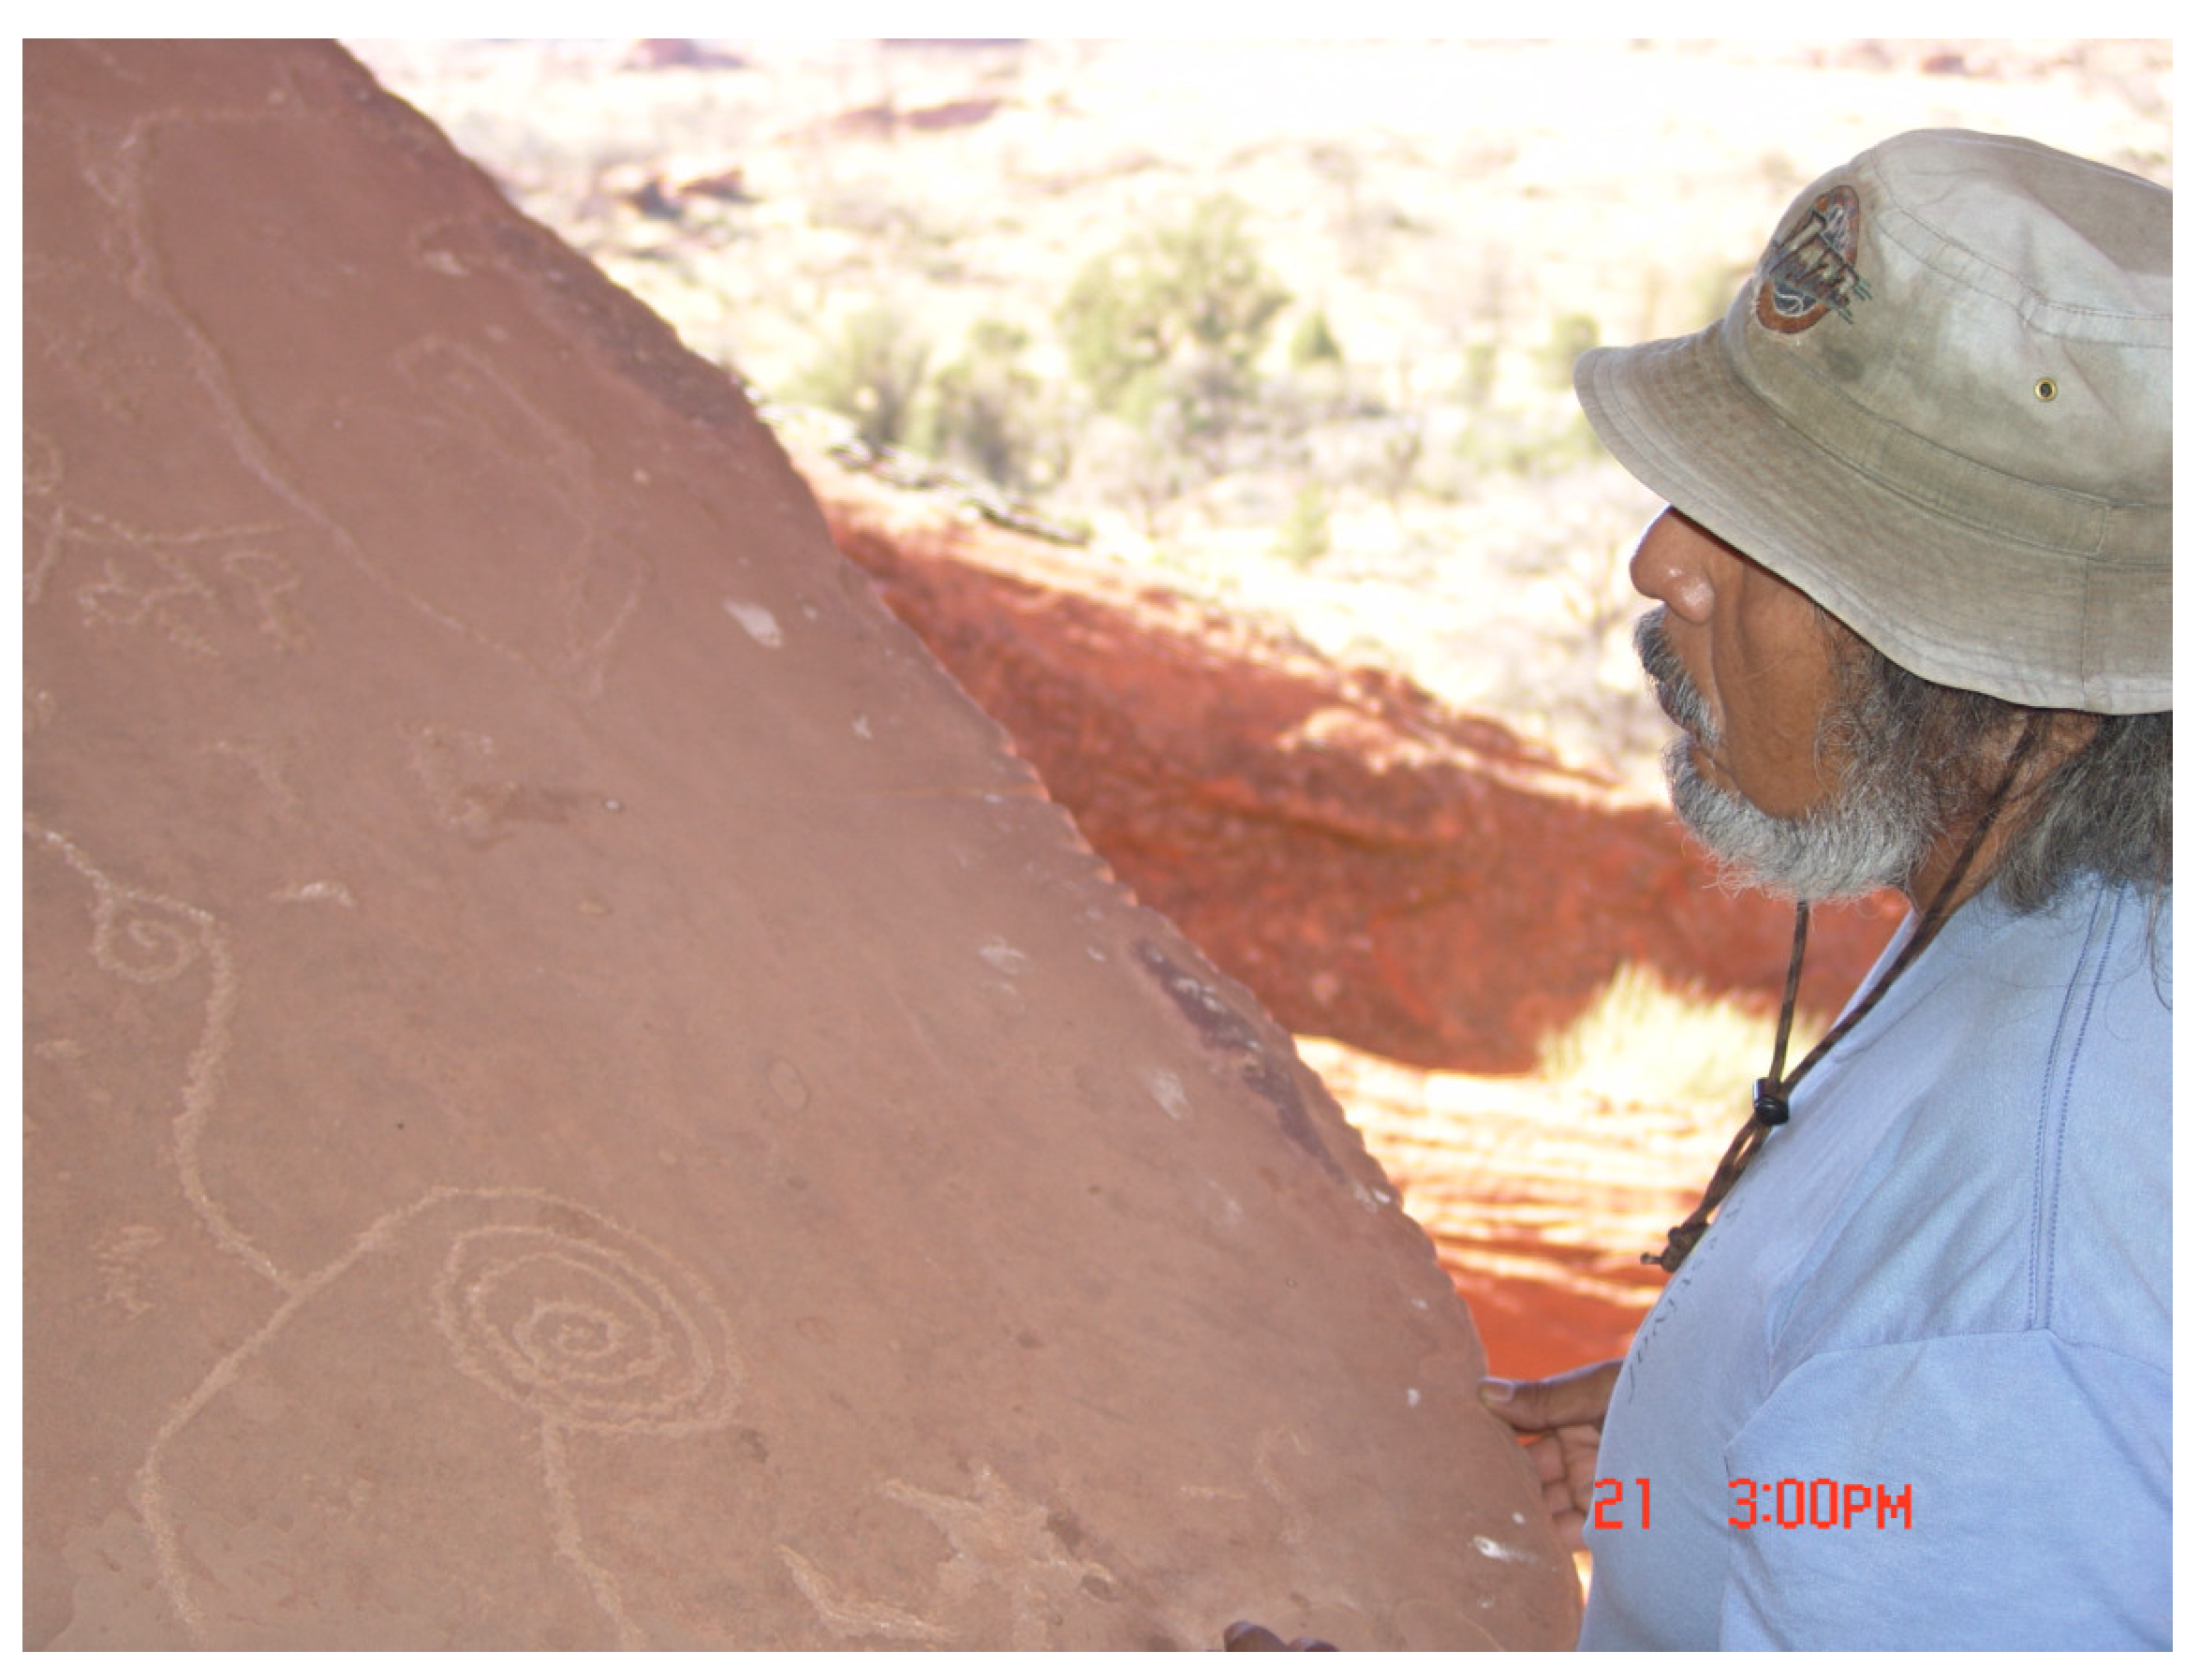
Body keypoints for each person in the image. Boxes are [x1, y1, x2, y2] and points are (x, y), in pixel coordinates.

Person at [1478, 129, 2170, 1649]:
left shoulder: (2012, 1309)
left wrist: (1918, 1410)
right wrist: (1730, 1444)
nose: (1661, 563)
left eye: (1773, 537)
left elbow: (1997, 1398)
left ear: (2031, 699)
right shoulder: (2064, 892)